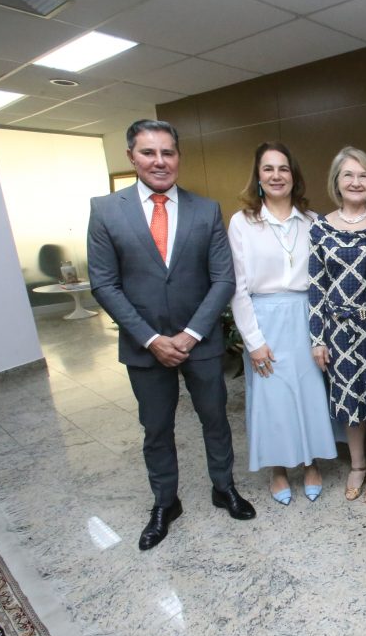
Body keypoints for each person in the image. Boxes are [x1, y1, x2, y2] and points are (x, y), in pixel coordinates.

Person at [88, 119, 255, 552]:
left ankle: (224, 488)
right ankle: (166, 502)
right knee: (156, 427)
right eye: (149, 152)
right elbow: (104, 284)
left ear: (178, 156)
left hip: (199, 344)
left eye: (168, 152)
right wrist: (152, 339)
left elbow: (223, 279)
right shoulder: (106, 211)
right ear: (132, 157)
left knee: (215, 419)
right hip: (145, 347)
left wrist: (191, 333)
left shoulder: (205, 209)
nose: (159, 161)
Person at [227, 141, 337, 505]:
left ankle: (310, 464)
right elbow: (238, 288)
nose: (277, 175)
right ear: (258, 177)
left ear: (294, 176)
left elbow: (323, 281)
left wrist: (321, 331)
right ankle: (277, 469)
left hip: (306, 316)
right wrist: (254, 341)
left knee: (308, 394)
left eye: (283, 169)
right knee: (271, 398)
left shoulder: (312, 221)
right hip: (264, 318)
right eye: (268, 169)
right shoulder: (243, 222)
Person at [309, 147, 366, 504]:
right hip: (337, 330)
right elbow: (316, 287)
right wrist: (317, 338)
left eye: (363, 175)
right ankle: (356, 465)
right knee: (347, 400)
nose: (356, 181)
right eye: (348, 175)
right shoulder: (320, 227)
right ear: (337, 182)